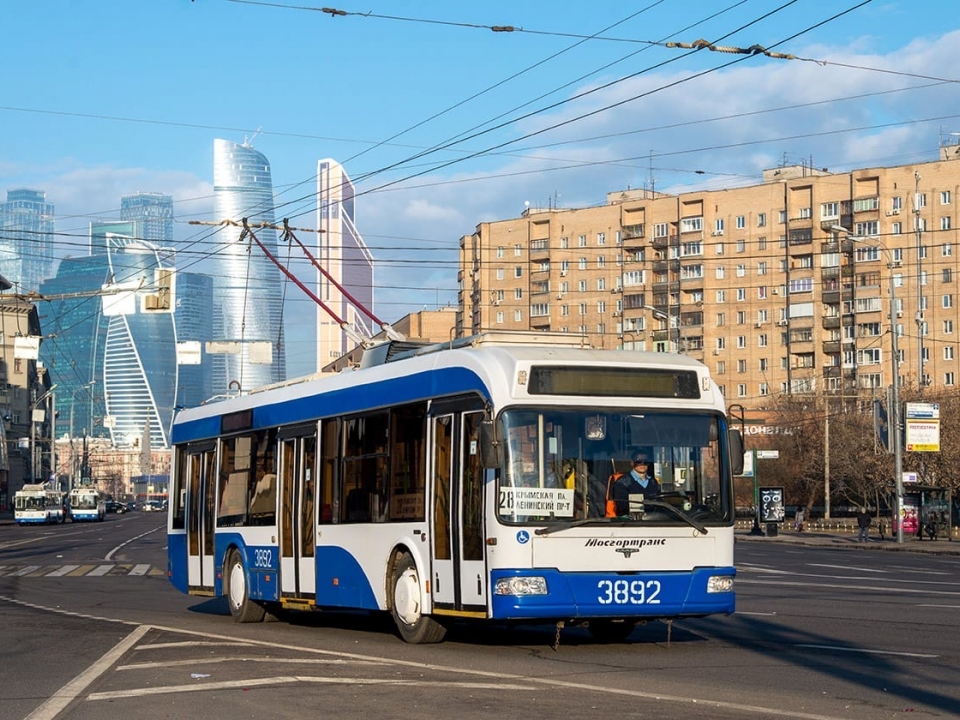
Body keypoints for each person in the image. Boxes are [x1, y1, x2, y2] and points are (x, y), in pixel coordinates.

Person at [606, 451, 661, 516]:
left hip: (656, 519)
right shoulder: (622, 482)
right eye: (638, 461)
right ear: (632, 463)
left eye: (645, 461)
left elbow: (660, 501)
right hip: (631, 522)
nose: (642, 464)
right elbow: (622, 506)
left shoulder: (653, 482)